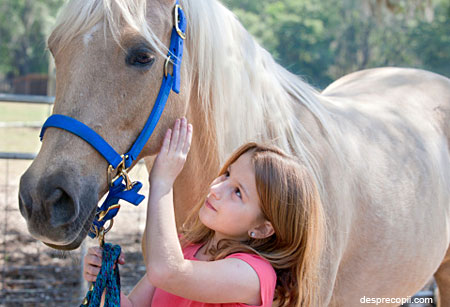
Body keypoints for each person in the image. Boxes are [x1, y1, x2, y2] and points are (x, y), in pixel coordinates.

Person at [83, 117, 325, 306]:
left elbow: (167, 272)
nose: (217, 188)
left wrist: (163, 182)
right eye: (227, 174)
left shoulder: (253, 275)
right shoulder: (188, 246)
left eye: (238, 192)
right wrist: (105, 280)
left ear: (262, 229)